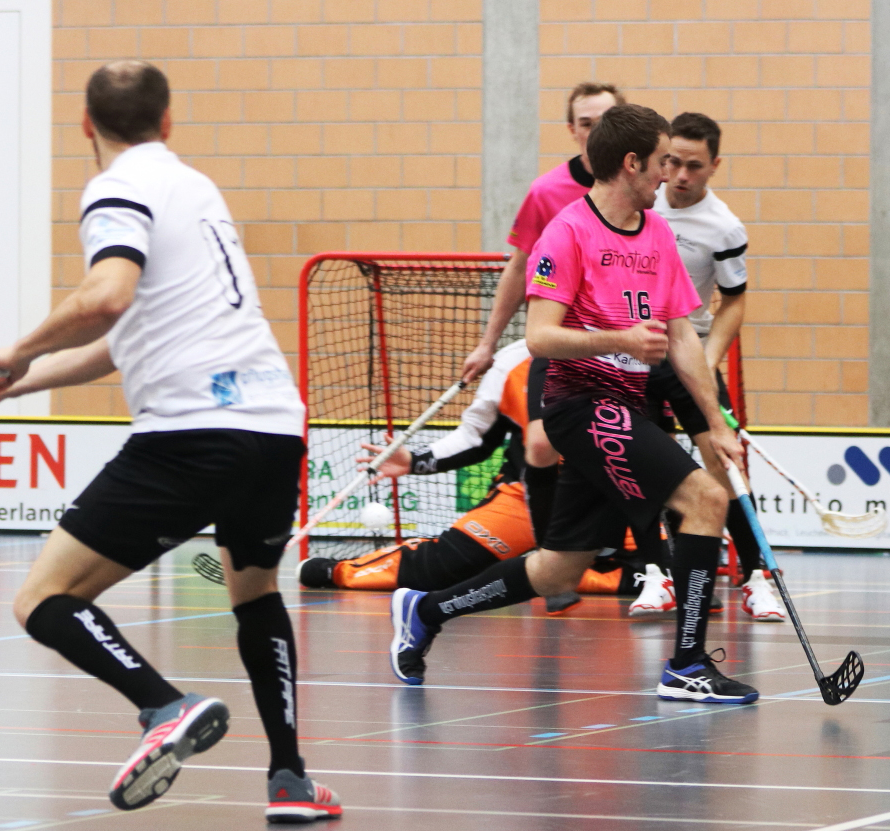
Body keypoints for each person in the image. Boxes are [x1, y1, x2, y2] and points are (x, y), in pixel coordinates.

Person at [0, 60, 340, 823]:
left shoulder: (116, 187)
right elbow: (122, 339)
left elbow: (108, 296)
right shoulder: (195, 188)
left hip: (192, 433)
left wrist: (18, 347)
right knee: (255, 593)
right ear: (167, 121)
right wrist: (14, 384)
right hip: (272, 428)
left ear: (85, 125)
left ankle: (163, 705)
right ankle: (289, 778)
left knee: (42, 599)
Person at [387, 104, 757, 705]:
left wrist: (716, 423)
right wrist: (620, 339)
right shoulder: (568, 232)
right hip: (580, 404)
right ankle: (687, 665)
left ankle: (425, 611)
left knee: (559, 567)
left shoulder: (656, 232)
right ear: (631, 163)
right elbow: (539, 337)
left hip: (626, 407)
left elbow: (682, 334)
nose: (667, 174)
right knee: (706, 498)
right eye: (660, 162)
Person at [292, 338, 640, 619]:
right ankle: (343, 571)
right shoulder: (513, 361)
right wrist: (415, 460)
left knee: (658, 570)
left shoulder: (639, 351)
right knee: (443, 568)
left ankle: (538, 571)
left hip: (622, 494)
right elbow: (475, 437)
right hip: (526, 497)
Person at [464, 82, 628, 613]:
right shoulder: (547, 192)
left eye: (606, 120)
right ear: (572, 130)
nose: (595, 131)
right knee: (539, 444)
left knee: (626, 446)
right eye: (586, 123)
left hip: (623, 348)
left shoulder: (641, 188)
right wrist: (488, 343)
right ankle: (551, 557)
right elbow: (519, 267)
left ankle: (633, 555)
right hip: (562, 343)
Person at [654, 111, 784, 622]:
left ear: (714, 166)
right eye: (672, 162)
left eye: (694, 166)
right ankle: (663, 575)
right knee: (651, 467)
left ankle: (756, 578)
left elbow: (733, 301)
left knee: (725, 467)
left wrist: (708, 360)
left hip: (691, 354)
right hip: (634, 356)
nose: (680, 175)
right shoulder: (641, 203)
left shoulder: (724, 227)